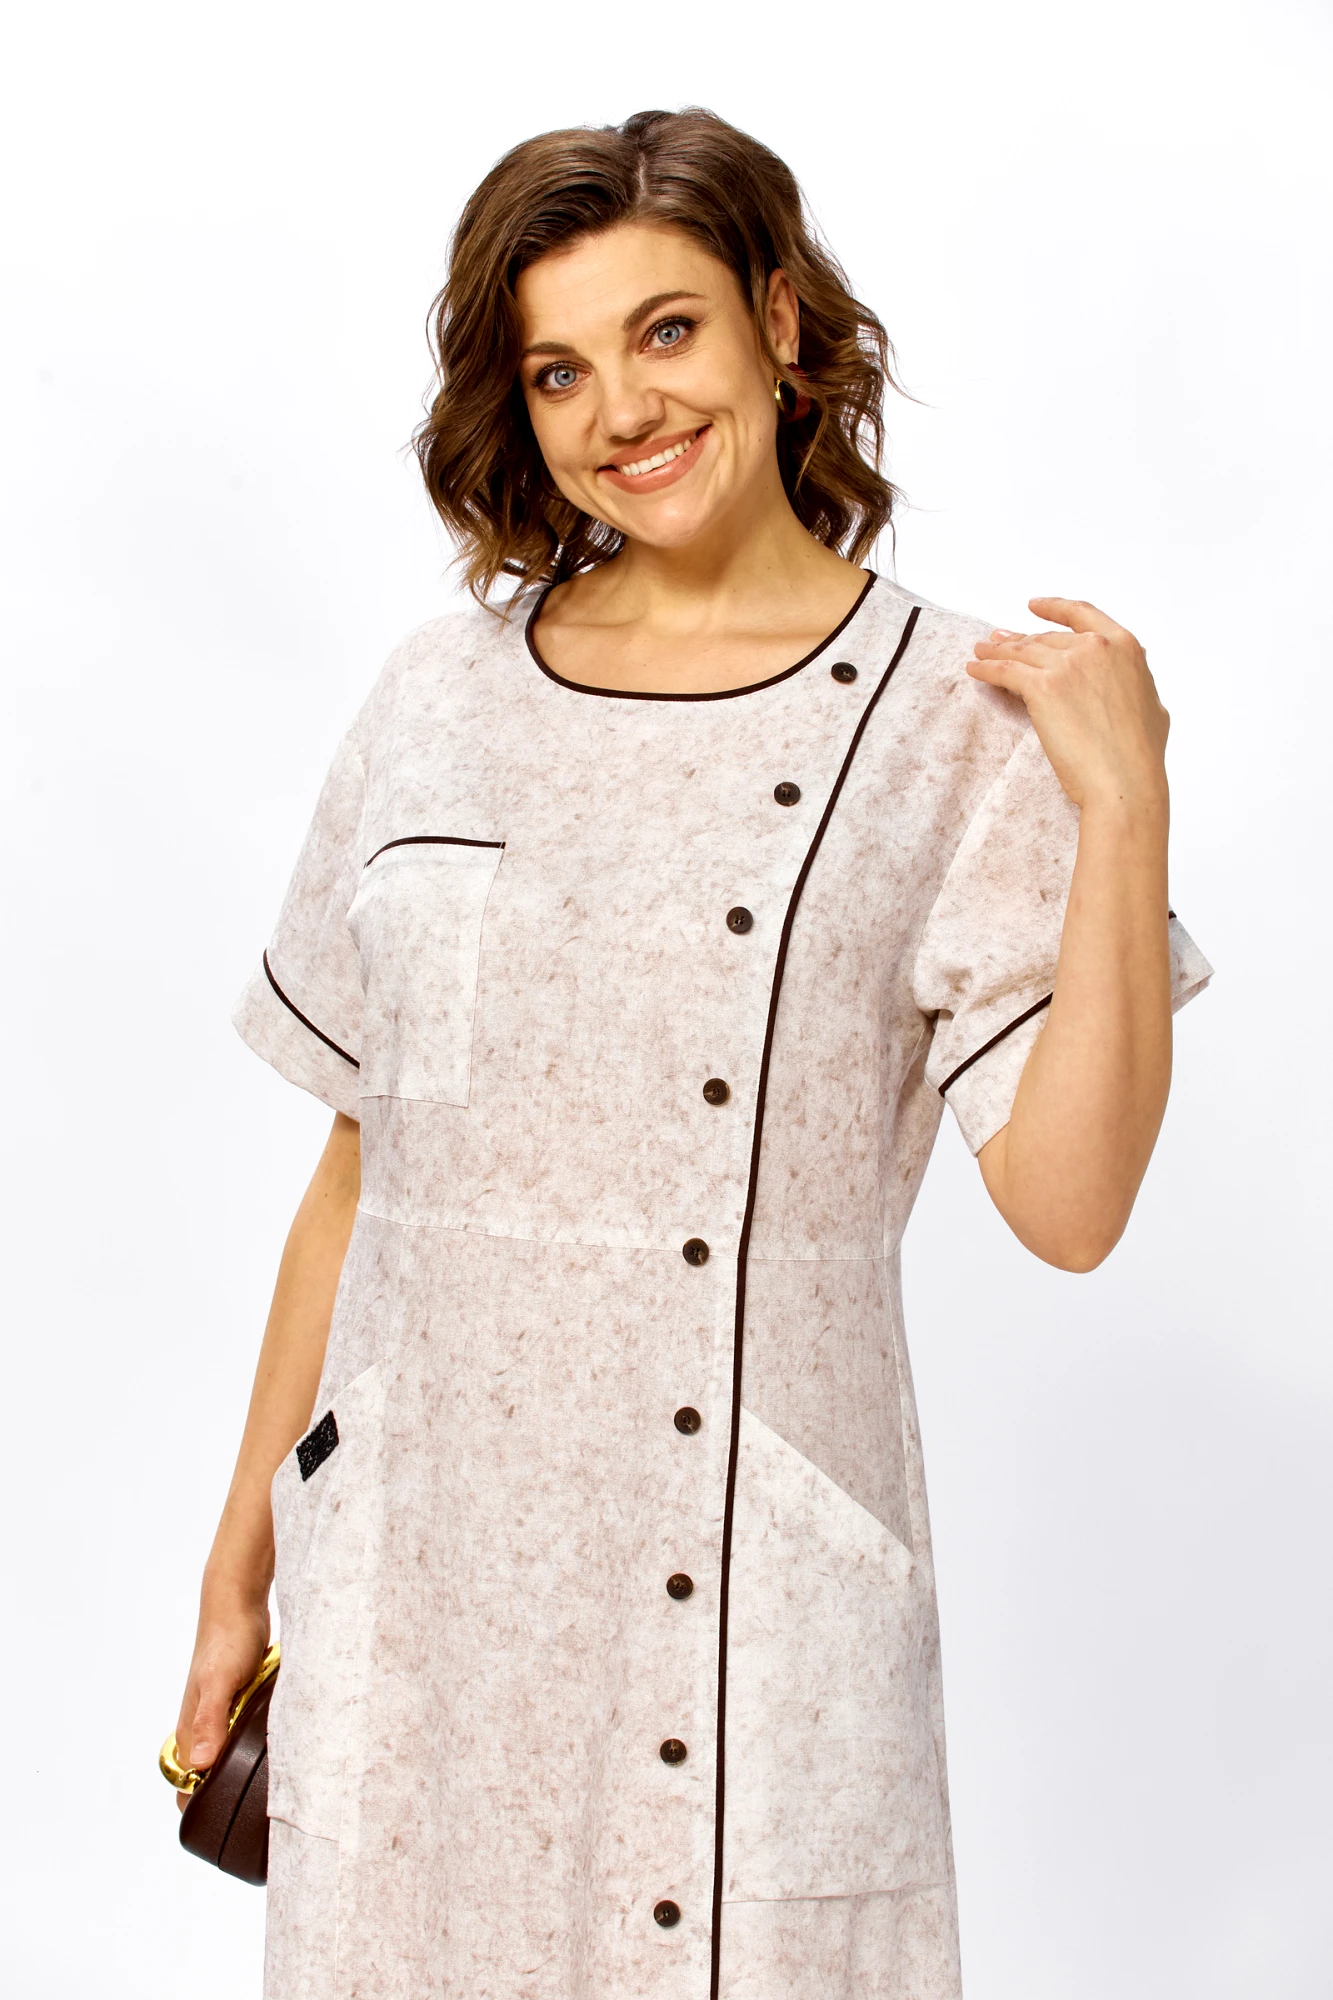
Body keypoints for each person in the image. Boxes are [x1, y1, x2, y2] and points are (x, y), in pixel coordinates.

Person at [171, 107, 1211, 1999]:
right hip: (412, 1593)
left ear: (780, 325)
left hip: (734, 1609)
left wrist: (1124, 806)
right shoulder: (435, 696)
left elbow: (1071, 1210)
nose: (621, 411)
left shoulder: (956, 726)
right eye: (557, 368)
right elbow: (355, 1175)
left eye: (668, 331)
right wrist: (239, 1562)